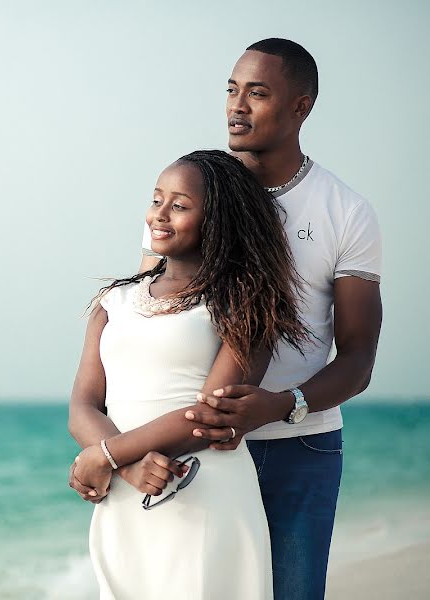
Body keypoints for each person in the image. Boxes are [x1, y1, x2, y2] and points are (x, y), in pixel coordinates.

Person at [135, 39, 383, 599]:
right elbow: (143, 320)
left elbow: (360, 355)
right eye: (231, 89)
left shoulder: (345, 212)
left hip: (300, 449)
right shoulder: (187, 194)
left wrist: (283, 404)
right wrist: (132, 448)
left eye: (257, 93)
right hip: (194, 443)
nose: (237, 106)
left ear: (301, 106)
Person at [69, 149, 312, 599]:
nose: (160, 215)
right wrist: (124, 466)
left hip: (202, 491)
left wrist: (103, 457)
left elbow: (212, 415)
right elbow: (83, 405)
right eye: (157, 199)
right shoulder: (114, 302)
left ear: (216, 220)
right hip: (128, 495)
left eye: (179, 205)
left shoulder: (244, 301)